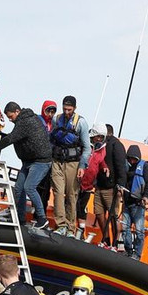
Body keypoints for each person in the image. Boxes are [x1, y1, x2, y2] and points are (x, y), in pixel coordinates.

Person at [0, 101, 52, 228]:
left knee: (29, 187)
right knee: (19, 188)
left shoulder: (25, 121)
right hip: (29, 161)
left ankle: (42, 218)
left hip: (40, 161)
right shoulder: (23, 120)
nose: (10, 120)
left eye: (11, 117)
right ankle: (20, 217)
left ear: (17, 112)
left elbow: (11, 138)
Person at [49, 96, 91, 236]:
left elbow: (87, 148)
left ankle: (70, 227)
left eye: (69, 109)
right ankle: (61, 224)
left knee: (72, 195)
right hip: (57, 161)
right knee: (58, 193)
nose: (66, 112)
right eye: (64, 109)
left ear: (74, 108)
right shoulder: (57, 119)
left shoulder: (81, 123)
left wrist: (82, 166)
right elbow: (52, 139)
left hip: (73, 163)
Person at [94, 124, 127, 248]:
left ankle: (115, 243)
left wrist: (120, 186)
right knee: (99, 213)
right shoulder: (100, 145)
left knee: (113, 216)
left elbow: (120, 167)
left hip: (111, 187)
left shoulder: (116, 145)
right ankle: (106, 239)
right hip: (99, 185)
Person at [120, 145, 148, 260]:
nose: (132, 161)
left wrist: (145, 196)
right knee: (125, 228)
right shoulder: (126, 166)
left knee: (139, 231)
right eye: (130, 158)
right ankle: (128, 250)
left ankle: (137, 254)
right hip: (127, 202)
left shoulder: (144, 166)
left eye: (134, 159)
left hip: (138, 204)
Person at [37, 100, 59, 212]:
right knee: (33, 185)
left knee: (45, 188)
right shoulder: (37, 121)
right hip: (37, 159)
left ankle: (41, 212)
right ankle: (33, 208)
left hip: (49, 160)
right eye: (48, 111)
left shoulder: (55, 125)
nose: (50, 114)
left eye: (52, 112)